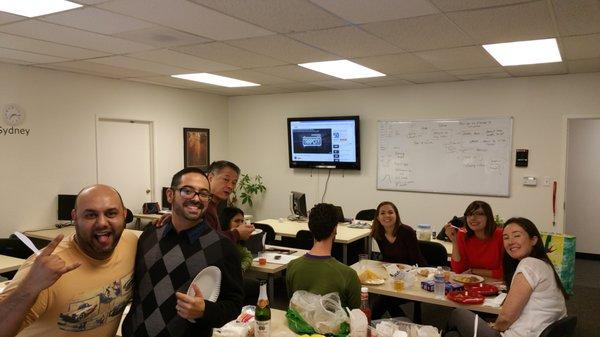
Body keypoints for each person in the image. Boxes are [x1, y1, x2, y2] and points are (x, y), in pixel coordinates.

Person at [0, 184, 138, 337]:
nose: (102, 223)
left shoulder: (130, 243)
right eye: (90, 215)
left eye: (111, 213)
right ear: (74, 217)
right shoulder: (46, 270)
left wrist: (169, 218)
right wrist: (29, 287)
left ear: (124, 215)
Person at [122, 167, 244, 337]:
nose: (196, 199)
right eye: (187, 191)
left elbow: (234, 304)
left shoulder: (223, 247)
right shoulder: (150, 234)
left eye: (203, 194)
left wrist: (204, 310)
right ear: (170, 195)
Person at [444, 217, 568, 337]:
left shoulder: (529, 264)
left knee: (458, 314)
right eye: (506, 237)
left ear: (533, 240)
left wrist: (494, 327)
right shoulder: (544, 265)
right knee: (453, 334)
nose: (510, 241)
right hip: (535, 330)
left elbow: (506, 318)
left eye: (517, 235)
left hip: (520, 334)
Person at [156, 161, 254, 243]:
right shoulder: (202, 207)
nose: (230, 186)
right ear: (210, 178)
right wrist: (236, 234)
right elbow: (206, 242)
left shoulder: (216, 205)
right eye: (226, 179)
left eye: (234, 182)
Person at [286, 203, 361, 309]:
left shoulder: (292, 267)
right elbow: (356, 317)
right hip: (335, 326)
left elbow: (292, 305)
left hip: (300, 325)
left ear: (310, 228)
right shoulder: (348, 275)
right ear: (335, 229)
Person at [370, 201, 426, 319]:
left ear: (396, 215)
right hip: (394, 276)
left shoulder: (407, 232)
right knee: (384, 297)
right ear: (378, 217)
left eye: (390, 212)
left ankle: (368, 323)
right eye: (382, 213)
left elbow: (416, 261)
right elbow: (387, 258)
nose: (387, 216)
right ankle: (406, 324)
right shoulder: (378, 233)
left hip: (414, 277)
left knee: (385, 299)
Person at [445, 200, 503, 278]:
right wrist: (454, 242)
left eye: (479, 214)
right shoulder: (463, 234)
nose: (472, 218)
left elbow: (505, 272)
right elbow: (458, 270)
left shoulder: (501, 235)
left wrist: (473, 271)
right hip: (471, 284)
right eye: (469, 214)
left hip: (496, 284)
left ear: (488, 217)